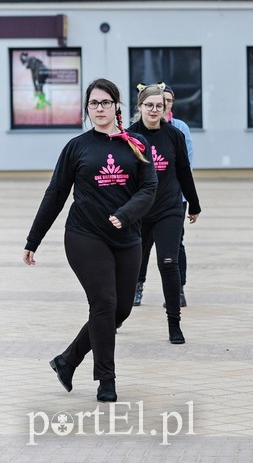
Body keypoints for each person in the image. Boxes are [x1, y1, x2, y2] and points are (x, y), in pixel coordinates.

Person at [23, 78, 157, 402]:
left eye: (106, 102)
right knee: (104, 303)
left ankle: (67, 360)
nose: (100, 108)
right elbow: (55, 195)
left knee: (120, 311)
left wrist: (125, 214)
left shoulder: (136, 144)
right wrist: (33, 240)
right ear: (87, 108)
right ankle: (106, 380)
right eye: (94, 103)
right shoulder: (77, 147)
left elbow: (149, 189)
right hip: (85, 236)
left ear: (117, 106)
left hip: (127, 237)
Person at [128, 84, 201, 344]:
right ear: (140, 107)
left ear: (165, 108)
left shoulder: (174, 136)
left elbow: (184, 171)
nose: (154, 110)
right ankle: (116, 316)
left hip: (169, 208)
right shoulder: (129, 136)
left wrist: (194, 203)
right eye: (149, 105)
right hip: (138, 212)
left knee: (168, 263)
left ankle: (174, 324)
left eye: (159, 106)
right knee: (131, 266)